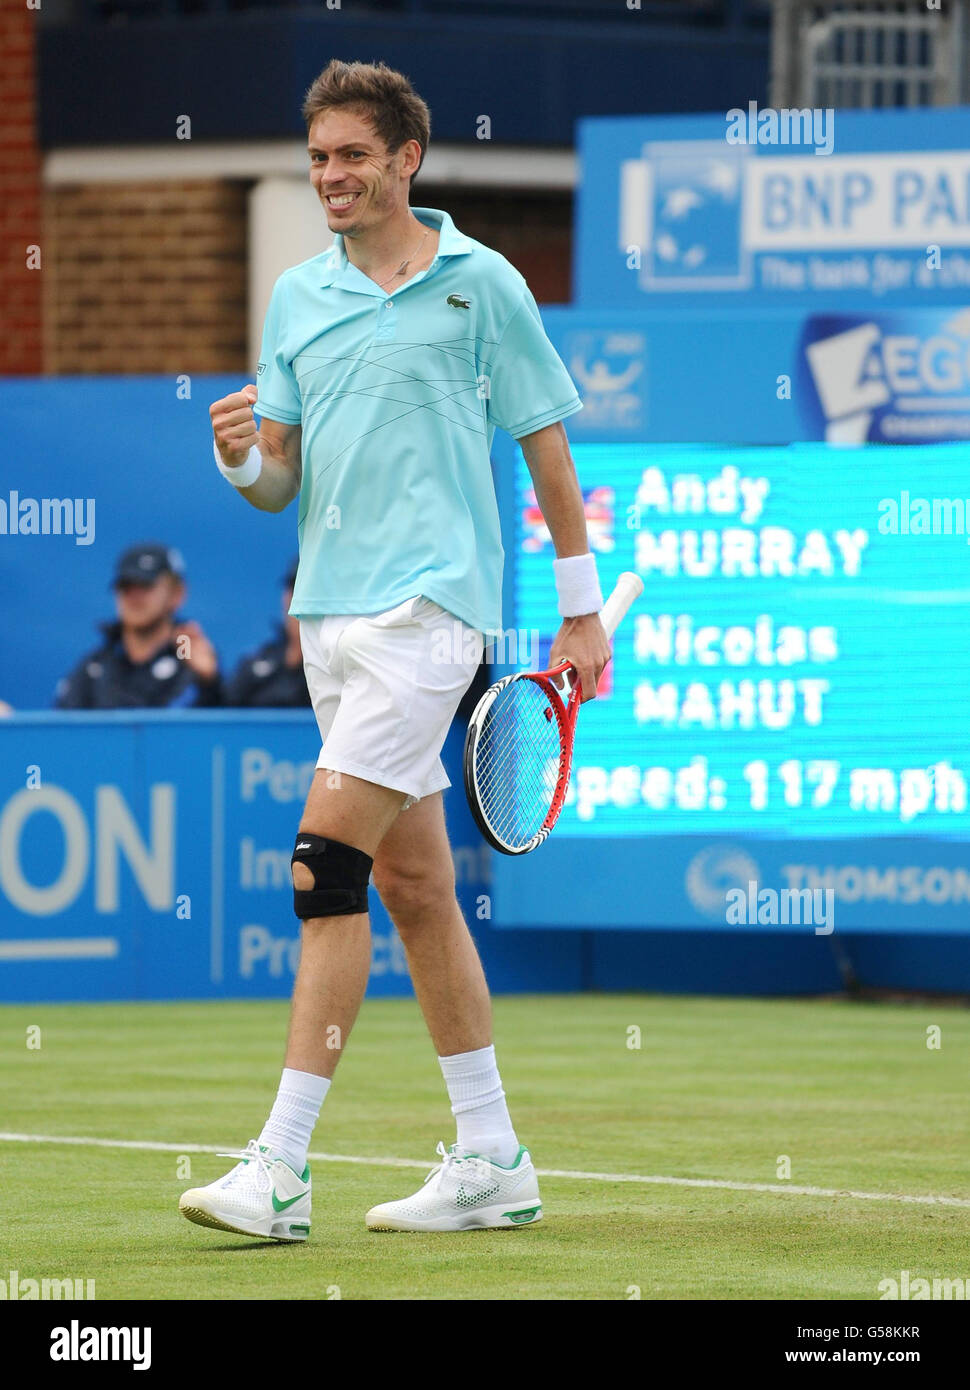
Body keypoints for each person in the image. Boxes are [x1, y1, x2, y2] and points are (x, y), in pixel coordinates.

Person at [179, 59, 610, 1243]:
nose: (330, 176)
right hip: (329, 621)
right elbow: (276, 483)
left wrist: (581, 611)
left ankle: (279, 1167)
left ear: (405, 158)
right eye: (317, 158)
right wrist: (236, 457)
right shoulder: (294, 300)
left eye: (351, 156)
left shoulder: (487, 287)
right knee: (418, 890)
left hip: (433, 613)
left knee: (325, 868)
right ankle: (492, 1157)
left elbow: (547, 449)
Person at [55, 544, 222, 709]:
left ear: (176, 594)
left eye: (146, 585)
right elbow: (63, 731)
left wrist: (208, 683)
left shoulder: (190, 659)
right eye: (126, 586)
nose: (135, 596)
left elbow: (216, 730)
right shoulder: (94, 668)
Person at [223, 560, 311, 708]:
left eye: (309, 591)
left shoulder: (341, 667)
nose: (300, 600)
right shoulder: (255, 663)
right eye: (295, 589)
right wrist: (208, 683)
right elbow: (224, 714)